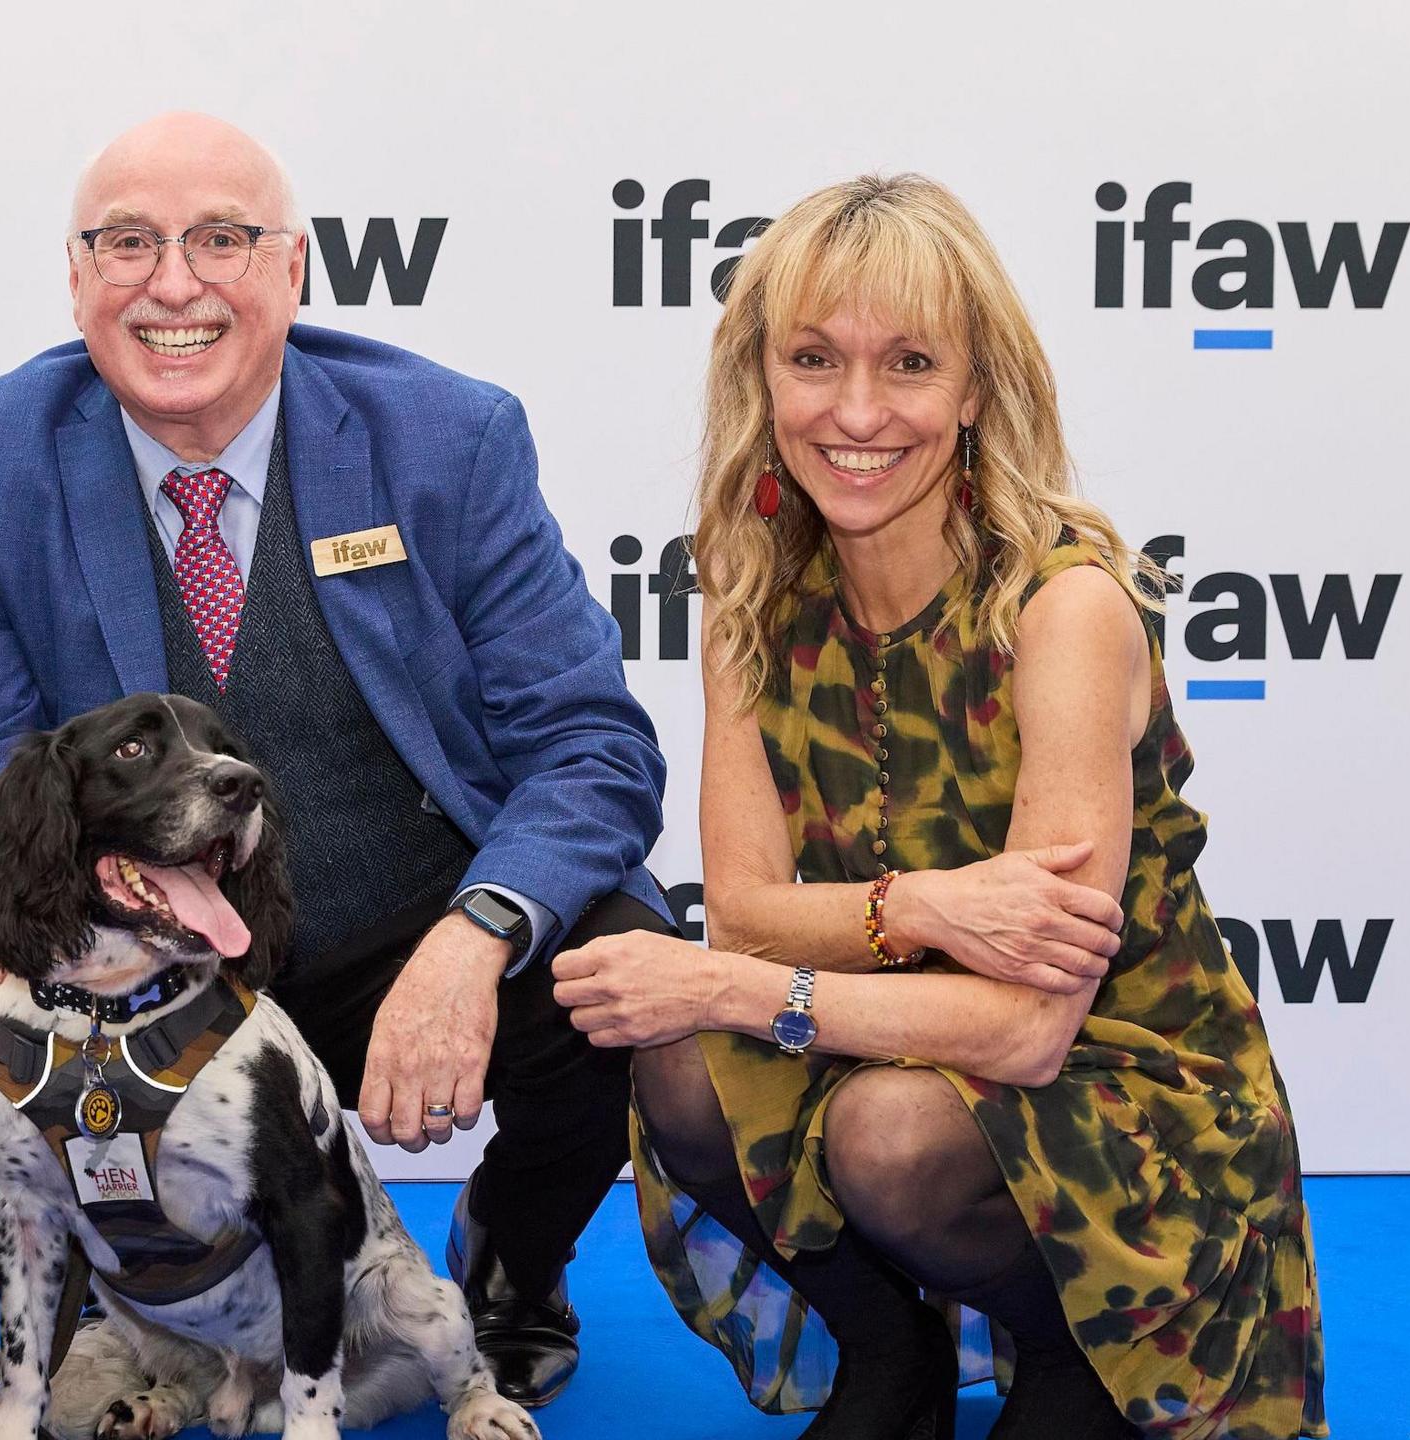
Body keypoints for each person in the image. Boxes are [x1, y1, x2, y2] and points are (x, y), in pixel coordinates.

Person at [0, 111, 673, 1407]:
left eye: (221, 239)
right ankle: (131, 1256)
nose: (173, 283)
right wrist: (111, 954)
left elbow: (590, 745)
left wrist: (473, 939)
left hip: (401, 937)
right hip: (138, 956)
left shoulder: (449, 436)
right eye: (128, 243)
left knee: (614, 975)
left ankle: (513, 1257)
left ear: (296, 268)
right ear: (76, 276)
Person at [550, 174, 1326, 1439]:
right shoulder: (750, 590)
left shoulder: (1063, 609)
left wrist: (733, 982)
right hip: (907, 1023)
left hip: (1126, 1080)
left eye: (908, 363)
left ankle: (1077, 1358)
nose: (856, 412)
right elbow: (742, 905)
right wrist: (924, 905)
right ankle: (888, 1352)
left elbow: (1025, 1033)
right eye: (813, 359)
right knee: (681, 1069)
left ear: (975, 389)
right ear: (763, 380)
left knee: (886, 1132)